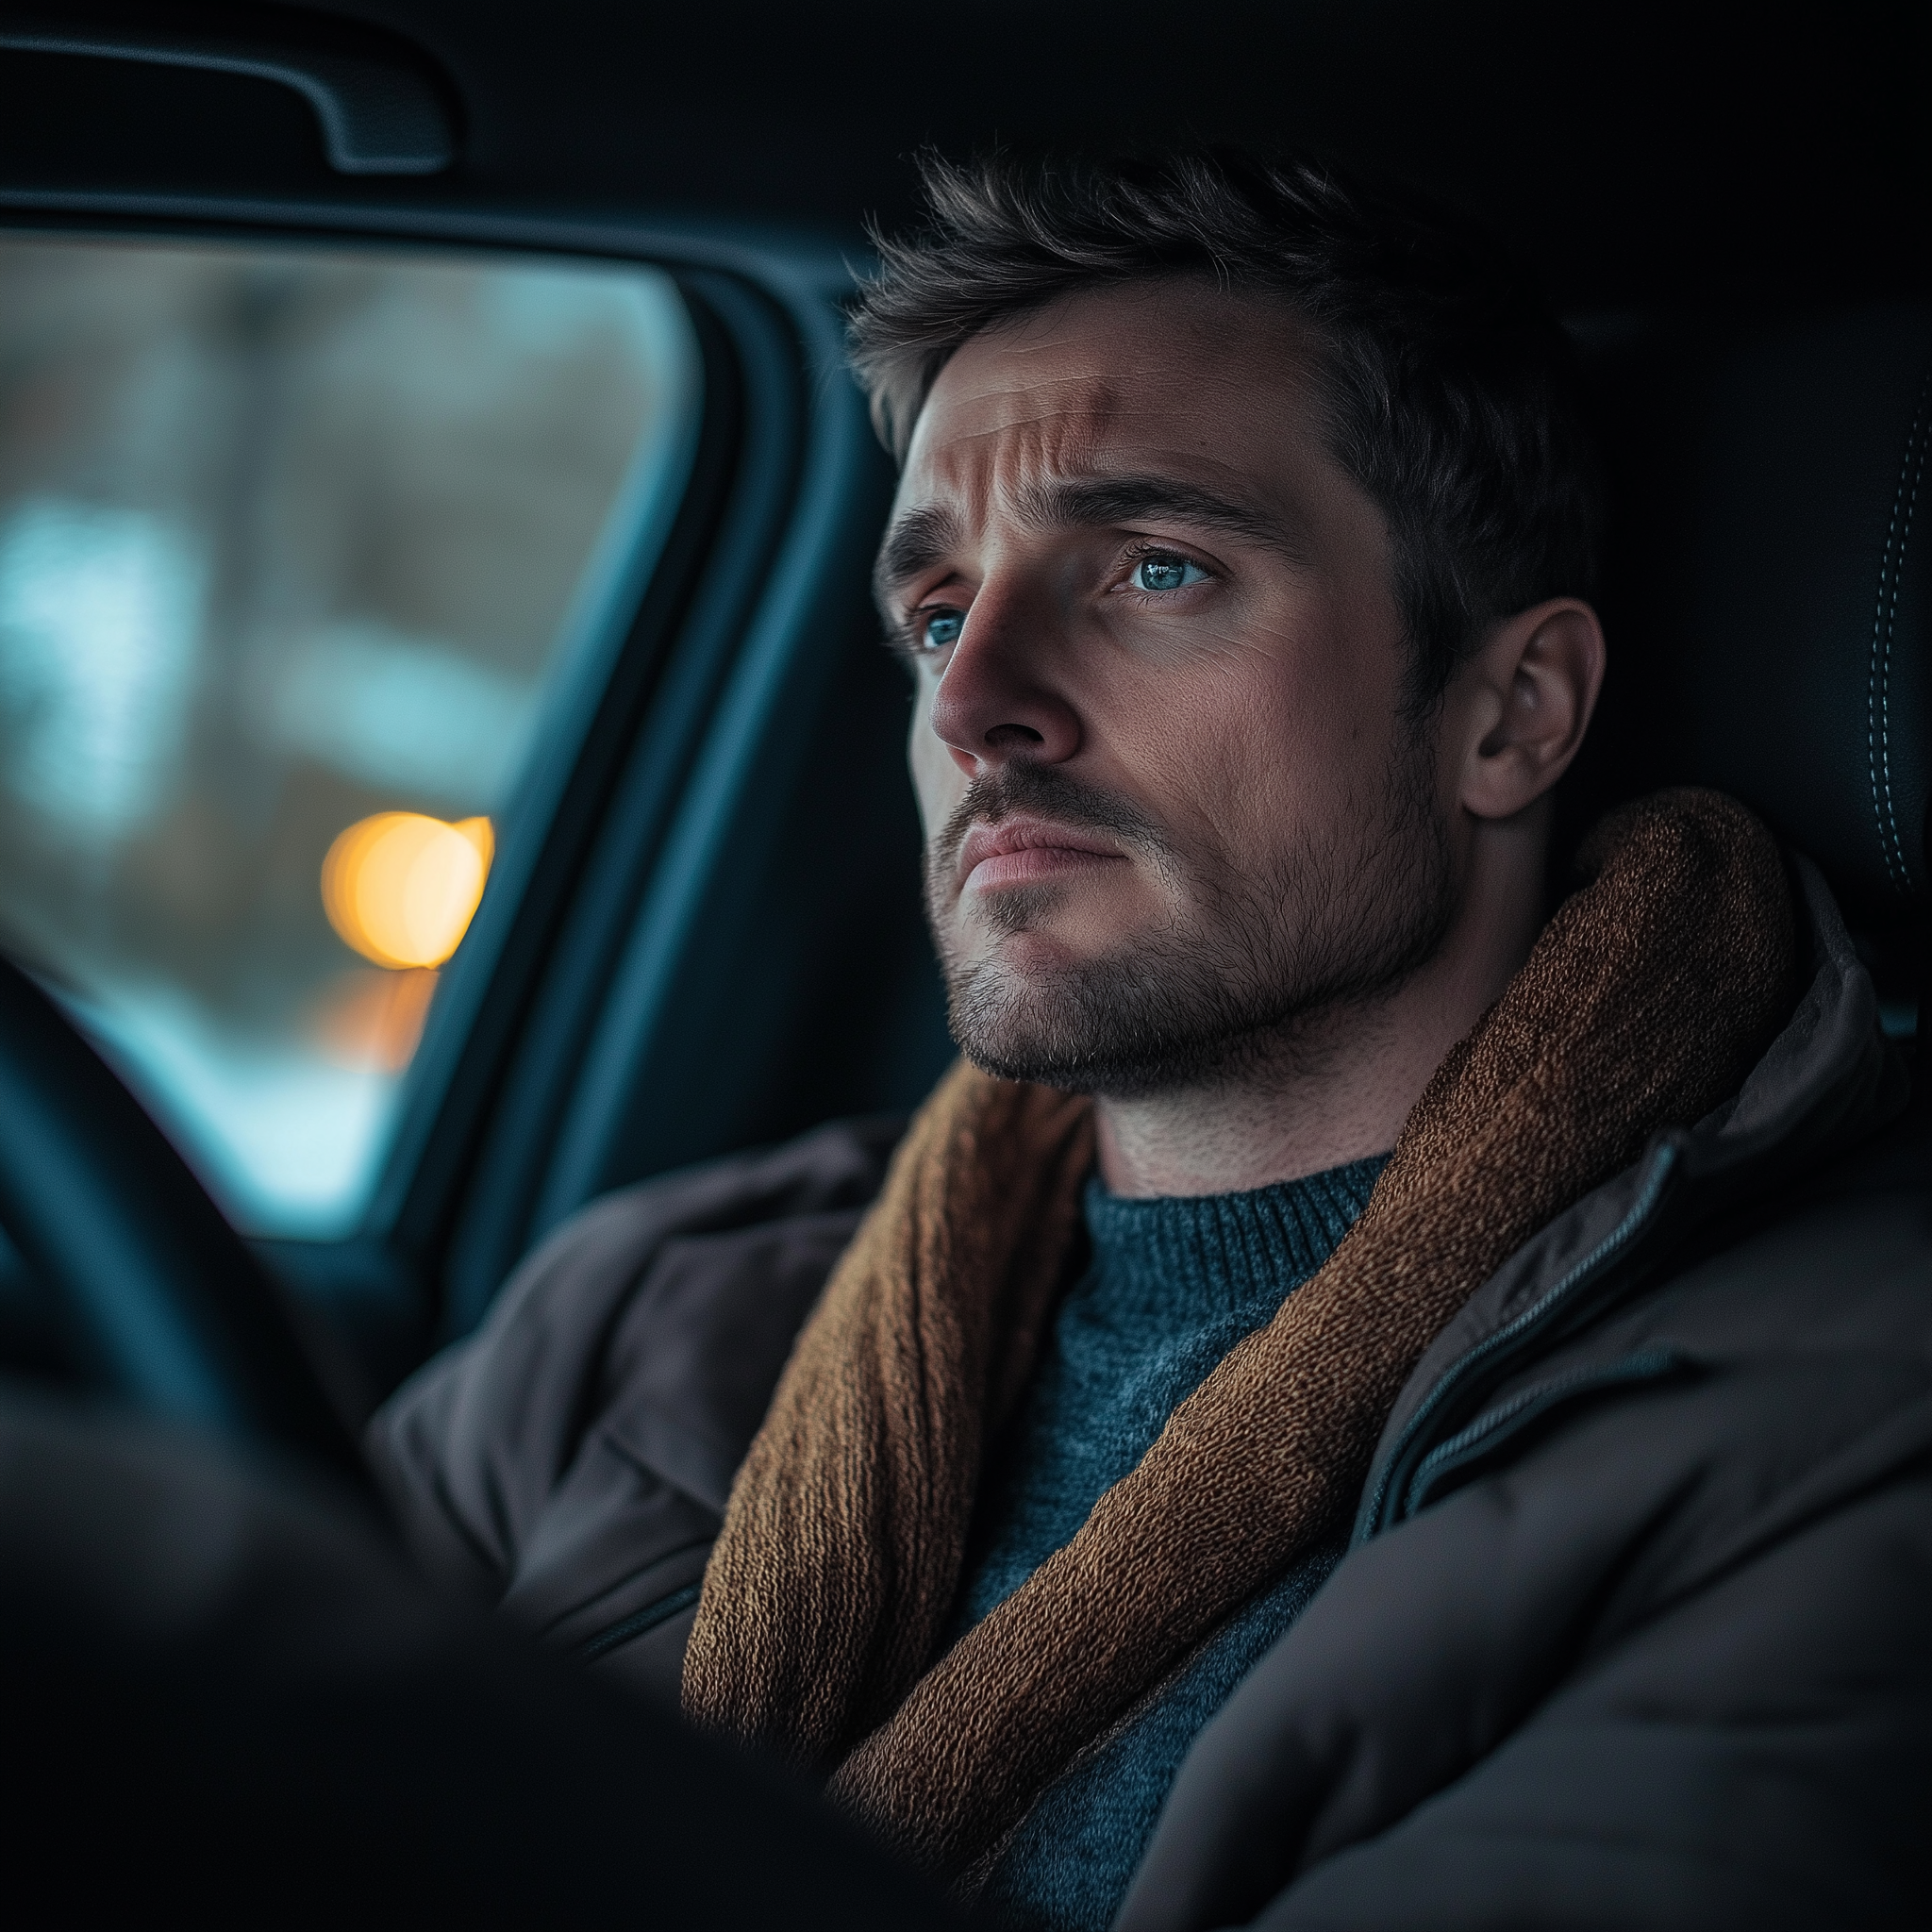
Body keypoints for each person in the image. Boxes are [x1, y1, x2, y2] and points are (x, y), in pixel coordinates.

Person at [371, 150, 1932, 1929]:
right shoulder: (651, 1307)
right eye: (939, 612)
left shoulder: (1834, 1439)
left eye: (1157, 570)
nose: (973, 706)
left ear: (1512, 713)